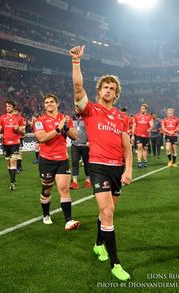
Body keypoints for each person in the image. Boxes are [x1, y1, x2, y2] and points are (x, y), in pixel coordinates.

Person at [70, 45, 133, 281]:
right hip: (97, 165)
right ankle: (115, 263)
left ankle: (98, 243)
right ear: (99, 90)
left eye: (112, 88)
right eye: (105, 87)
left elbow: (127, 147)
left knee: (107, 210)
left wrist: (128, 170)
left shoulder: (122, 118)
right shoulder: (90, 109)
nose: (108, 90)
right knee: (107, 212)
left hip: (117, 167)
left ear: (116, 94)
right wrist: (76, 61)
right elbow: (77, 87)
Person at [34, 93, 80, 230]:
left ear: (57, 103)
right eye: (46, 102)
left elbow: (75, 137)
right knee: (47, 189)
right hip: (46, 160)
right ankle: (46, 214)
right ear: (44, 105)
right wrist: (58, 129)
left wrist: (65, 127)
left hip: (62, 160)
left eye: (51, 101)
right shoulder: (39, 120)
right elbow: (42, 138)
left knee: (64, 189)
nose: (49, 104)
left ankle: (68, 220)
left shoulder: (66, 118)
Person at [0, 100, 25, 190]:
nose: (7, 108)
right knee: (8, 162)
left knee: (13, 161)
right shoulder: (2, 118)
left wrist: (18, 129)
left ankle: (12, 182)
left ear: (13, 107)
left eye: (9, 106)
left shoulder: (19, 118)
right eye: (6, 106)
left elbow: (23, 133)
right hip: (5, 143)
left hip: (15, 143)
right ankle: (12, 179)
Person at [70, 109, 90, 189]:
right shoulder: (72, 119)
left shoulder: (86, 119)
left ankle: (88, 180)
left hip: (85, 145)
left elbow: (91, 131)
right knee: (74, 162)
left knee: (86, 163)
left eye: (78, 110)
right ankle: (75, 182)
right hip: (75, 145)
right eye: (75, 110)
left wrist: (89, 141)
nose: (76, 111)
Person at [131, 104, 153, 168]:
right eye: (141, 108)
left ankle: (145, 161)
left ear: (146, 109)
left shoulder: (149, 117)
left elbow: (151, 125)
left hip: (146, 136)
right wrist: (132, 135)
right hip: (138, 135)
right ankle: (139, 161)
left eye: (143, 108)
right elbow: (134, 126)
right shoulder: (136, 116)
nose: (142, 109)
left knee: (145, 148)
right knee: (139, 147)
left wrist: (150, 128)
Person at [14, 108, 27, 173]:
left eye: (16, 111)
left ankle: (18, 167)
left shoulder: (22, 119)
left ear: (19, 112)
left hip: (19, 138)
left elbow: (23, 130)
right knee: (14, 154)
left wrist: (18, 128)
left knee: (19, 152)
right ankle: (19, 166)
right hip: (13, 138)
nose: (15, 112)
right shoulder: (12, 119)